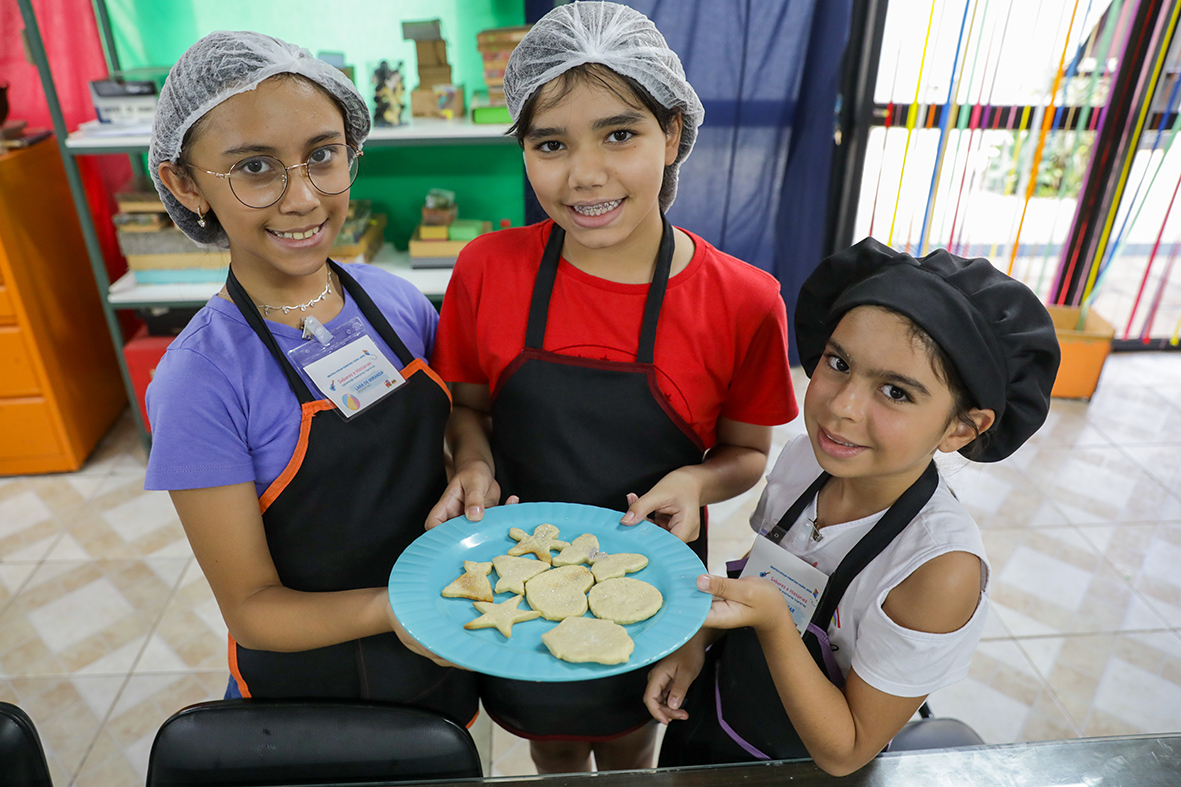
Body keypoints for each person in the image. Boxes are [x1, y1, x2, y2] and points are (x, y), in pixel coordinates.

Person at [427, 2, 797, 773]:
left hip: (655, 576)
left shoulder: (743, 299)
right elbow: (468, 407)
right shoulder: (486, 269)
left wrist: (697, 478)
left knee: (633, 740)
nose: (585, 174)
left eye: (619, 134)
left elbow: (744, 451)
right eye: (550, 143)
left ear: (671, 132)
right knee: (551, 743)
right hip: (516, 584)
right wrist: (471, 463)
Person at [144, 31, 476, 722]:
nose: (303, 198)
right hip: (309, 690)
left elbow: (454, 425)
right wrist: (397, 607)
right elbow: (253, 609)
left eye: (322, 156)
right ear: (183, 182)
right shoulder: (199, 381)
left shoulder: (394, 301)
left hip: (442, 642)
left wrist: (473, 458)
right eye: (256, 167)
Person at [645, 238, 1061, 775]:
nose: (841, 408)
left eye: (896, 392)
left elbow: (846, 751)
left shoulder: (938, 571)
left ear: (962, 427)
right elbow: (765, 566)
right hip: (713, 717)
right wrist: (696, 644)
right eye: (838, 362)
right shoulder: (804, 462)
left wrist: (773, 621)